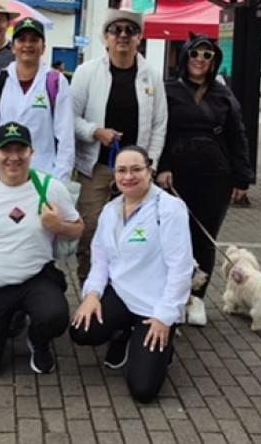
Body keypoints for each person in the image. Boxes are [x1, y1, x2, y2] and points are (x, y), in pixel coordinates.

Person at [0, 122, 83, 378]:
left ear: (31, 152)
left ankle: (38, 339)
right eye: (5, 150)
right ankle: (10, 320)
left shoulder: (49, 186)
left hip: (36, 277)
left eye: (20, 149)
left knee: (55, 316)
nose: (13, 157)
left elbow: (78, 228)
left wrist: (59, 226)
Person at [71, 146, 192, 402]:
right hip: (122, 293)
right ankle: (123, 333)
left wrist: (164, 316)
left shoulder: (169, 209)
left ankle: (163, 342)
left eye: (136, 169)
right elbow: (101, 261)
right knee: (82, 330)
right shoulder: (110, 210)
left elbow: (180, 269)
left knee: (143, 389)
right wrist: (92, 294)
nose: (128, 176)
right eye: (122, 170)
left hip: (154, 304)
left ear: (150, 171)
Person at [156, 33, 253, 326]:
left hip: (215, 177)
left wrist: (242, 177)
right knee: (172, 239)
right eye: (195, 53)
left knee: (204, 240)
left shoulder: (224, 95)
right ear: (185, 56)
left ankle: (197, 298)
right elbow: (160, 129)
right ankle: (172, 296)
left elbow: (238, 136)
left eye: (207, 55)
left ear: (214, 61)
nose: (200, 60)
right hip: (175, 176)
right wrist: (162, 166)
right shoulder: (168, 89)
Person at [72, 8, 167, 288]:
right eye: (116, 30)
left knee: (135, 234)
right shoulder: (86, 72)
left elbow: (160, 125)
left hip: (137, 173)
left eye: (130, 31)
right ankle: (89, 292)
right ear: (105, 37)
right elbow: (69, 118)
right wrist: (94, 131)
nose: (123, 36)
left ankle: (125, 295)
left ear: (139, 38)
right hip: (97, 168)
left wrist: (152, 167)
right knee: (91, 232)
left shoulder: (152, 75)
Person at [0, 17, 74, 182]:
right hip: (2, 174)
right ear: (13, 47)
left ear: (43, 48)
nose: (28, 45)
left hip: (42, 173)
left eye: (34, 40)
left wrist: (59, 180)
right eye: (22, 40)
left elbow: (65, 137)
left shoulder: (55, 81)